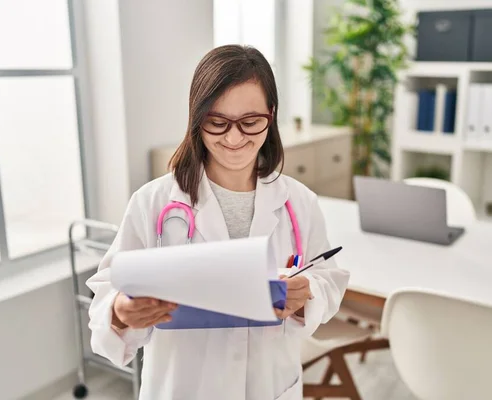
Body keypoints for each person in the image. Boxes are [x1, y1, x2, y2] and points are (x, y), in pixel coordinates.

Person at [86, 45, 349, 400]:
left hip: (270, 387)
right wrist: (119, 312)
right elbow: (106, 297)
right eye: (217, 122)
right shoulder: (153, 203)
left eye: (251, 122)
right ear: (197, 118)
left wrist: (307, 295)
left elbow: (327, 277)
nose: (234, 138)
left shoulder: (297, 201)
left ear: (271, 116)